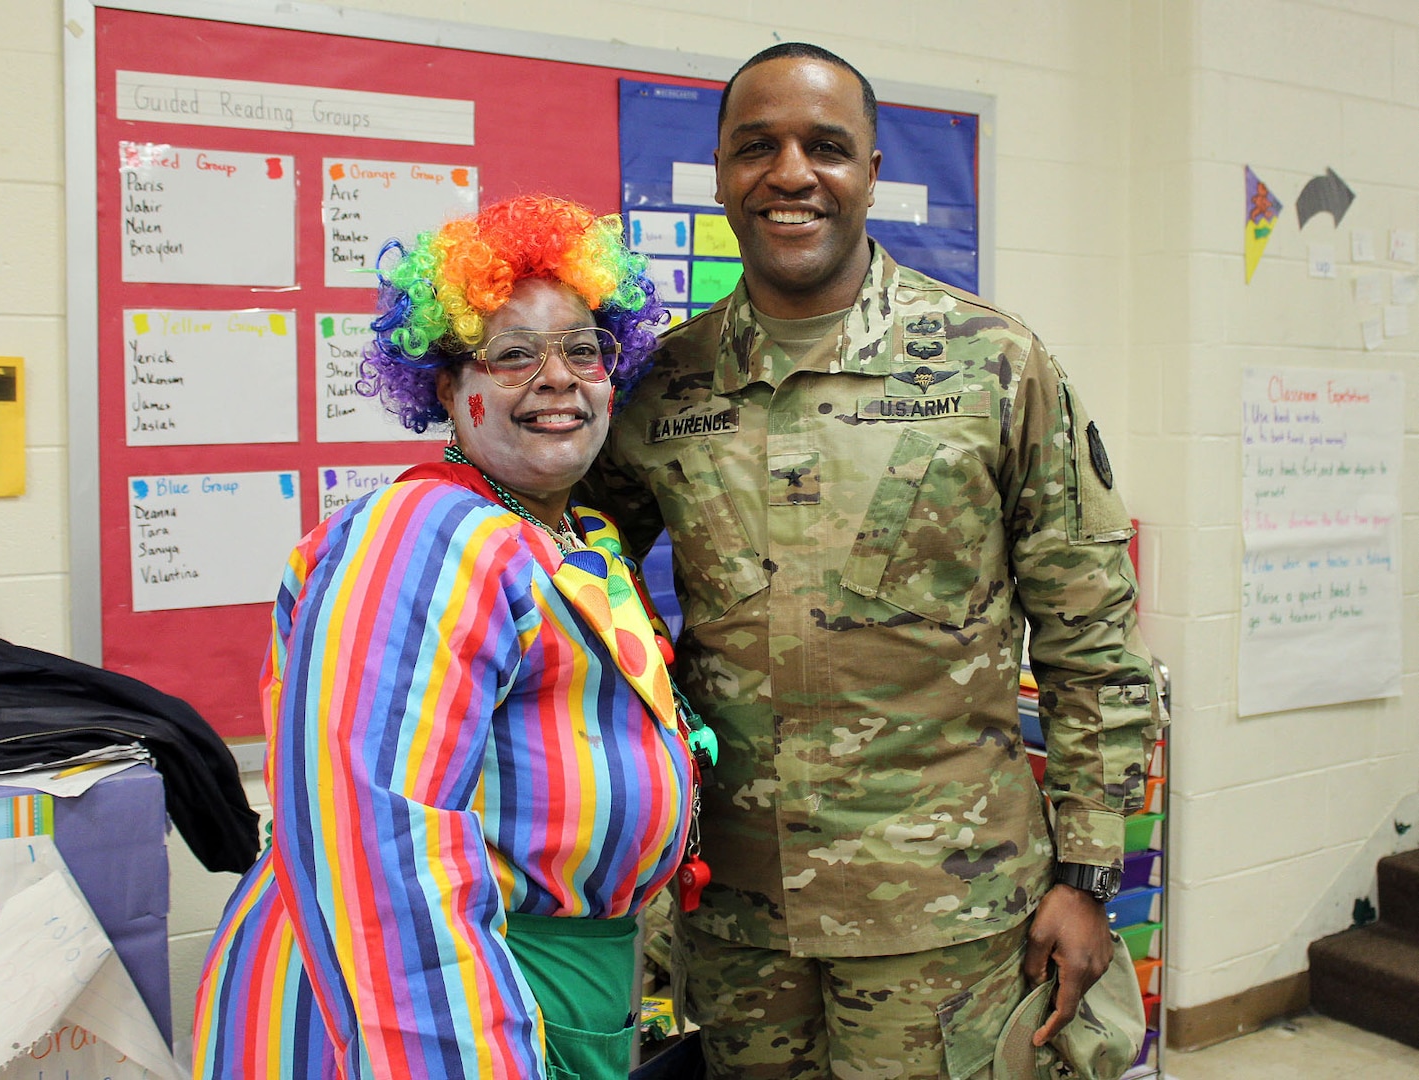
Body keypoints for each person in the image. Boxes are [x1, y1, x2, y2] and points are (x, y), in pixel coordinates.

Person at [582, 43, 1161, 1080]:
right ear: (719, 172)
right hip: (733, 912)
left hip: (949, 917)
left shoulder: (993, 362)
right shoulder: (663, 386)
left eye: (825, 147)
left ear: (872, 171)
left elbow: (1089, 633)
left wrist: (1087, 874)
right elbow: (565, 586)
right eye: (756, 147)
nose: (790, 173)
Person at [192, 195, 693, 1080]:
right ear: (446, 388)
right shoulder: (422, 537)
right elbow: (381, 844)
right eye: (511, 354)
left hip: (555, 989)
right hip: (433, 1015)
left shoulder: (562, 534)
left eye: (583, 348)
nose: (557, 377)